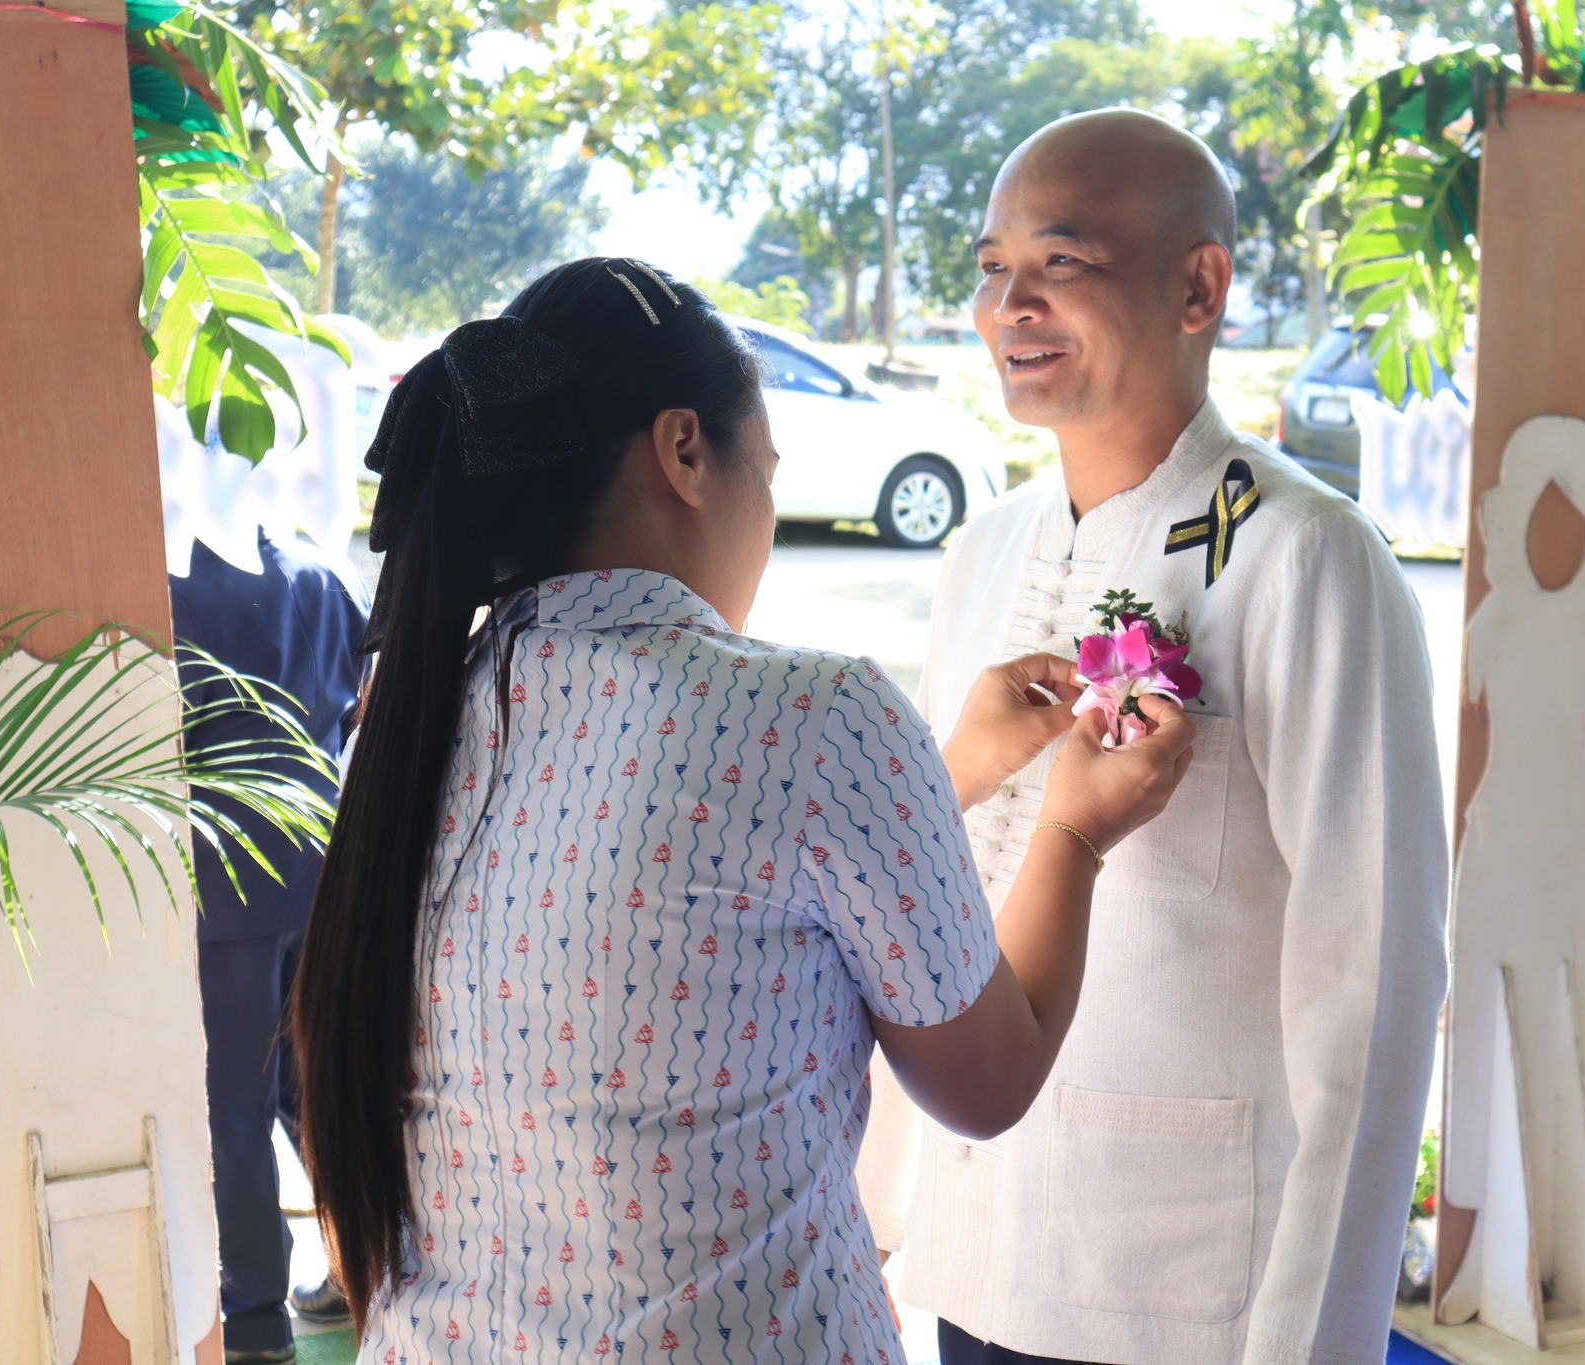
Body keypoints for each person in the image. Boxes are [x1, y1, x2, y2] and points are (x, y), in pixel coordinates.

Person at [286, 257, 1194, 1362]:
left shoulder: (419, 715)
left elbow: (700, 899)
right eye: (764, 472)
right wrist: (1075, 832)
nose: (766, 512)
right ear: (683, 452)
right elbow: (989, 1079)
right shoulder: (816, 715)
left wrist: (943, 772)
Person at [862, 109, 1450, 1365]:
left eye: (1060, 261)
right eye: (990, 266)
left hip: (1185, 1281)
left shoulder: (1305, 556)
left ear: (1199, 288)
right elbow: (929, 904)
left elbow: (1373, 984)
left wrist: (1308, 1339)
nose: (1008, 305)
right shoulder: (984, 549)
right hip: (974, 1253)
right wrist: (879, 1209)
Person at [168, 531, 368, 1362]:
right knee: (315, 1084)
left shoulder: (171, 580)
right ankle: (363, 1266)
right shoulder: (320, 567)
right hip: (324, 866)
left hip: (230, 886)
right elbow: (360, 698)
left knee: (235, 1108)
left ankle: (253, 1313)